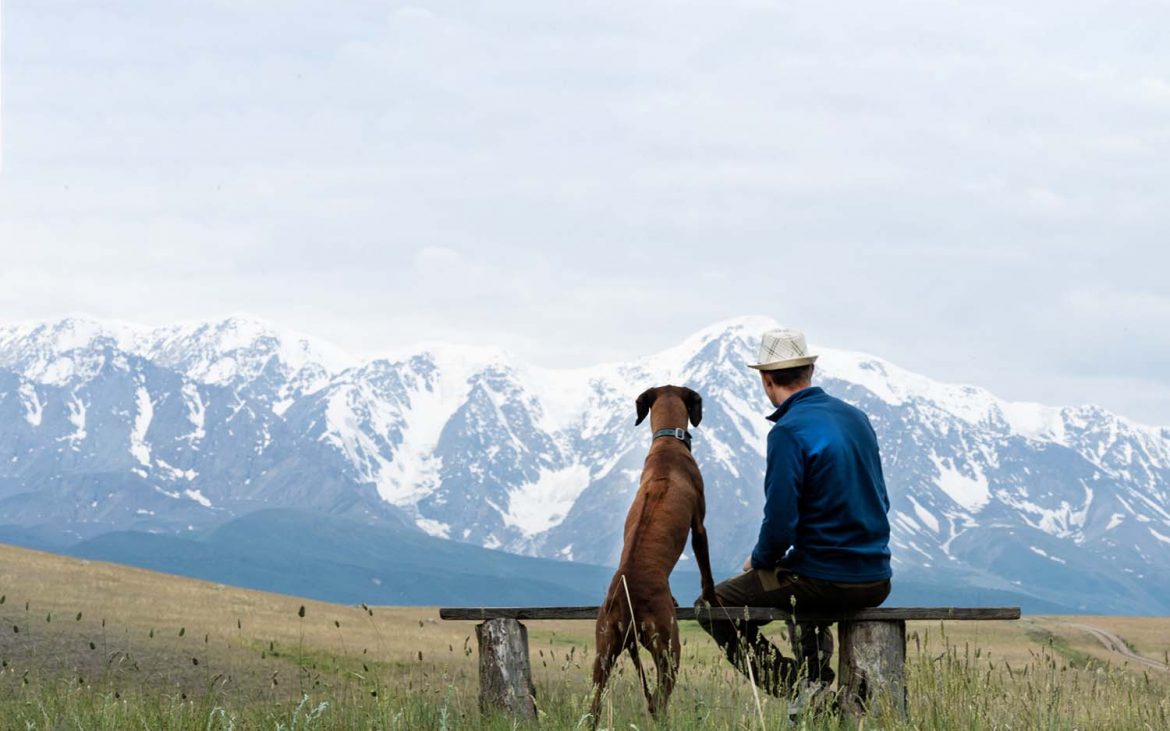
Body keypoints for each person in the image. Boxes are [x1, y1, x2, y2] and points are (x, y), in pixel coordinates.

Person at [695, 327, 892, 699]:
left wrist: (760, 559)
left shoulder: (788, 431)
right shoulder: (856, 418)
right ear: (810, 372)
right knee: (798, 579)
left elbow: (781, 521)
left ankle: (804, 693)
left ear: (766, 379)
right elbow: (881, 499)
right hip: (876, 579)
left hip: (826, 581)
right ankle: (814, 677)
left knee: (713, 606)